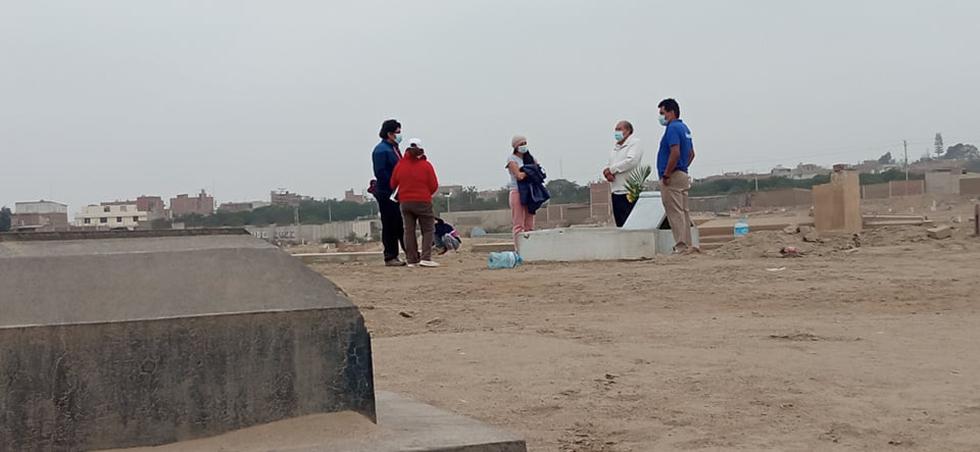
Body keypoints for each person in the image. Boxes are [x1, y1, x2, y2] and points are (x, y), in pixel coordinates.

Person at [390, 138, 440, 268]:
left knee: (409, 231)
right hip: (423, 201)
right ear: (421, 151)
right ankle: (426, 257)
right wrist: (426, 194)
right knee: (428, 229)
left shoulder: (400, 165)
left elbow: (393, 183)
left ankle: (411, 259)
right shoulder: (426, 166)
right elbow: (434, 185)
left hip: (405, 202)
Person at [656, 98, 697, 253]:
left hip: (672, 176)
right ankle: (688, 244)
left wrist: (667, 173)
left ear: (671, 112)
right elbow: (691, 154)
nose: (661, 117)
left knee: (674, 212)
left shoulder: (672, 128)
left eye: (662, 113)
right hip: (682, 174)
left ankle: (681, 245)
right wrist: (683, 167)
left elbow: (675, 151)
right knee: (684, 211)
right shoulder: (684, 128)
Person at [372, 119, 406, 266]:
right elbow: (381, 173)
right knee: (390, 224)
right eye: (398, 132)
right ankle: (390, 256)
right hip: (387, 193)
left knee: (399, 224)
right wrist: (394, 186)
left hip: (398, 192)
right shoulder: (381, 150)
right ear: (390, 134)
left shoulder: (394, 149)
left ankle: (407, 252)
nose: (400, 135)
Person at [602, 120, 643, 227]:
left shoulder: (634, 143)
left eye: (620, 129)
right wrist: (607, 172)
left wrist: (612, 170)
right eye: (616, 129)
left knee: (631, 223)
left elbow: (631, 161)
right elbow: (609, 164)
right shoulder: (615, 148)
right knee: (620, 224)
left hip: (629, 190)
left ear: (628, 131)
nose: (617, 132)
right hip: (616, 190)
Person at [506, 135, 537, 245]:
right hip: (517, 191)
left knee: (530, 223)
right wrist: (530, 172)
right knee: (518, 224)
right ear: (516, 146)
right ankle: (518, 249)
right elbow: (519, 175)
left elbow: (538, 171)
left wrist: (531, 172)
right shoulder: (512, 159)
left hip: (530, 192)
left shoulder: (530, 158)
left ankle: (530, 248)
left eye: (525, 143)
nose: (524, 146)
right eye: (521, 144)